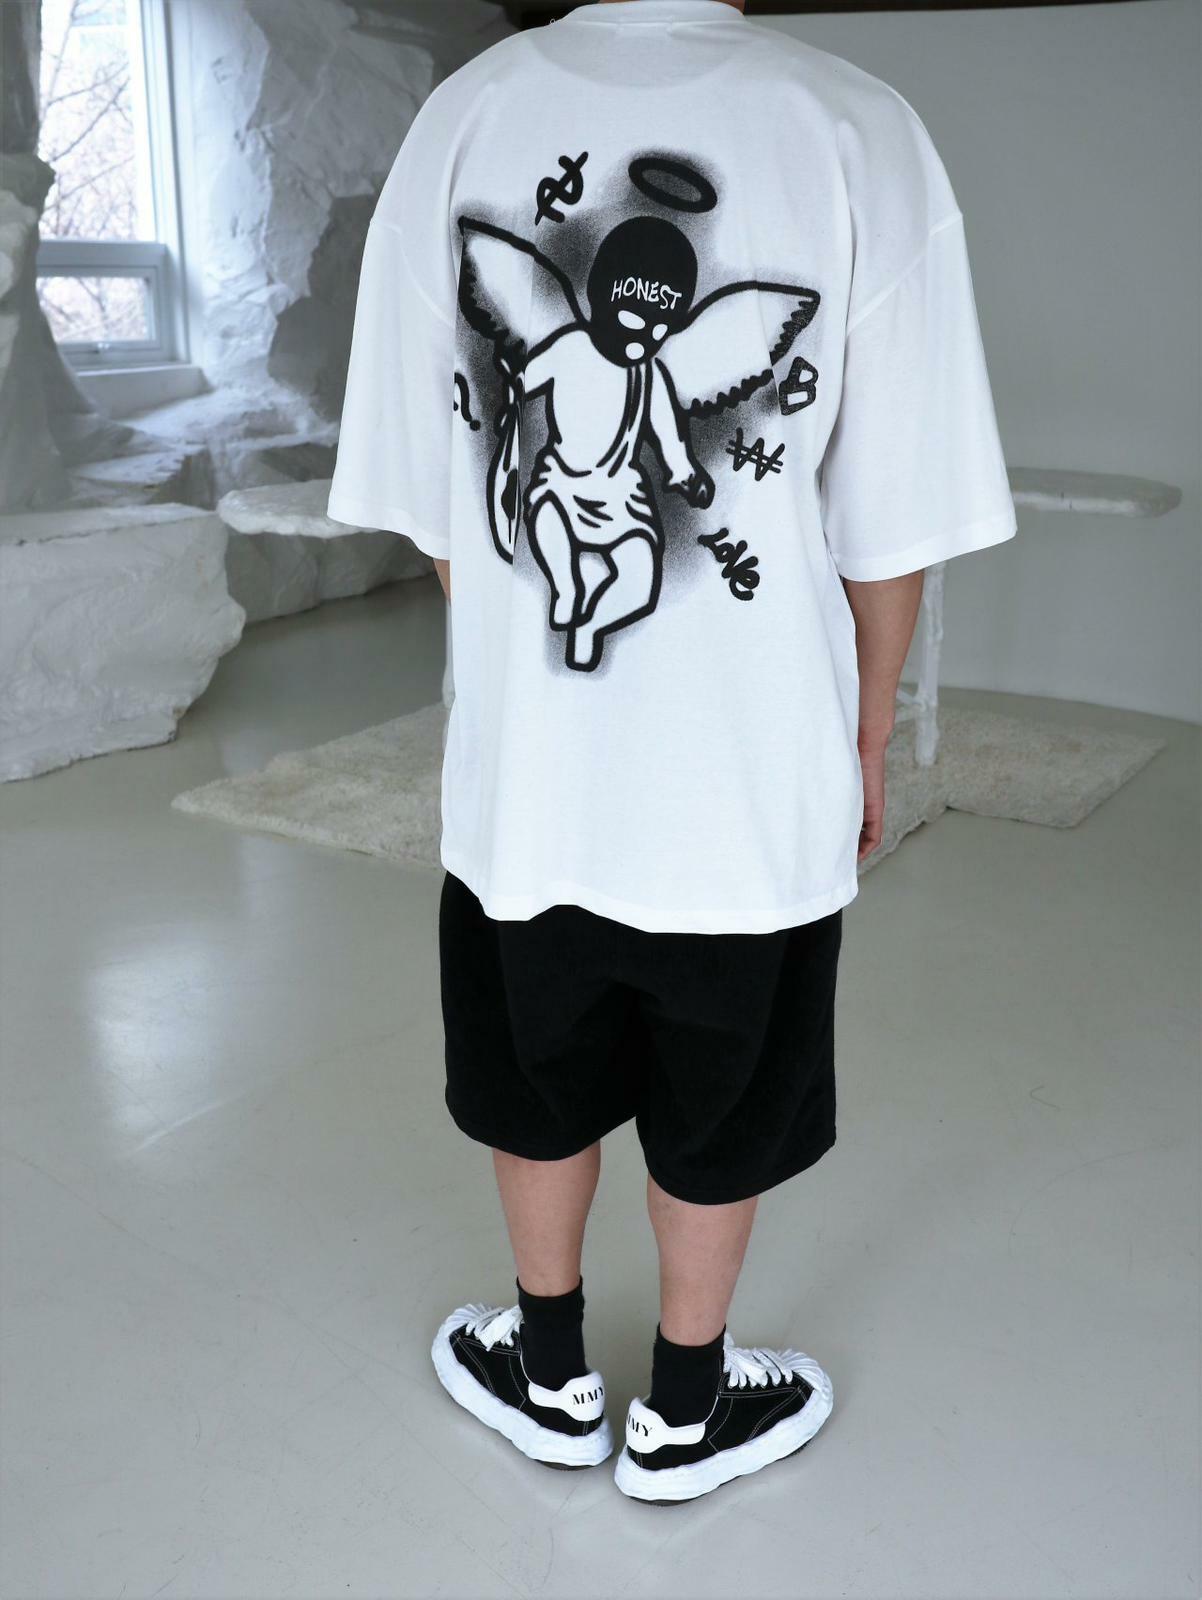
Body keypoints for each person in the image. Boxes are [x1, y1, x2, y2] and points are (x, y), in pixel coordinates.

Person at [328, 0, 1015, 1504]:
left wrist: (532, 662)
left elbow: (442, 508)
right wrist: (865, 730)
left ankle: (548, 1369)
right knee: (725, 1087)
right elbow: (889, 517)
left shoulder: (460, 119)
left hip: (530, 791)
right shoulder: (858, 128)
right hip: (749, 788)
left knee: (535, 1067)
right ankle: (687, 1408)